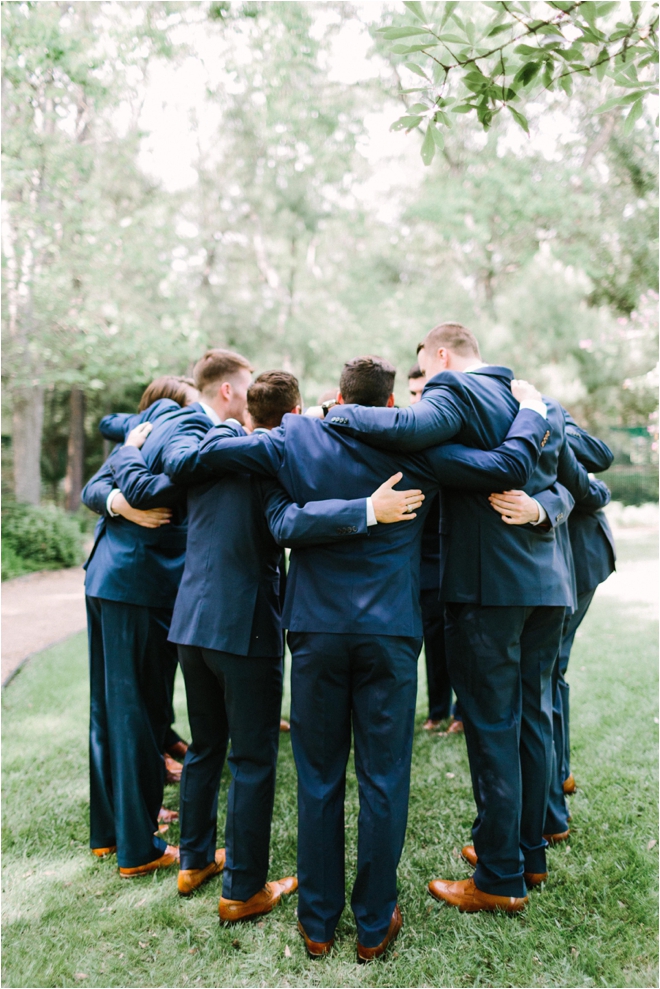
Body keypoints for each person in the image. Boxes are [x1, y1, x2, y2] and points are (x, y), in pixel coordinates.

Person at [173, 355, 552, 957]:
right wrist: (532, 413)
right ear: (393, 404)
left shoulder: (293, 436)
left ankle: (318, 923)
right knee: (383, 778)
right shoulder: (420, 451)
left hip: (317, 633)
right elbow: (503, 467)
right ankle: (375, 922)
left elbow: (220, 472)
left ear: (340, 397)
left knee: (319, 777)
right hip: (390, 634)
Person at [112, 370, 426, 920]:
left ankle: (193, 860)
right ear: (294, 410)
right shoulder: (278, 458)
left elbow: (162, 468)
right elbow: (284, 522)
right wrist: (365, 509)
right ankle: (241, 890)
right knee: (253, 758)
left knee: (208, 747)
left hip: (190, 621)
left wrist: (127, 452)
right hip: (247, 625)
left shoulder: (211, 450)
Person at [320, 324, 609, 912]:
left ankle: (500, 877)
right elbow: (582, 488)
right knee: (533, 720)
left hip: (487, 590)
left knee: (493, 727)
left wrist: (339, 414)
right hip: (547, 586)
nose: (424, 385)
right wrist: (541, 506)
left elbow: (411, 428)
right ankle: (527, 852)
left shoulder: (454, 390)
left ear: (442, 356)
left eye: (425, 368)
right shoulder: (537, 403)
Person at [80, 350, 254, 876]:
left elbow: (110, 471)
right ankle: (139, 848)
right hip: (139, 582)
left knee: (115, 708)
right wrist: (126, 500)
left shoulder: (155, 419)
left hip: (113, 577)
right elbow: (134, 486)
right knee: (137, 711)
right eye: (246, 385)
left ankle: (110, 833)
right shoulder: (192, 430)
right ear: (227, 390)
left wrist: (121, 490)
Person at [97, 375, 200, 786]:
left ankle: (159, 755)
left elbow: (110, 421)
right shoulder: (146, 439)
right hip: (135, 579)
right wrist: (125, 504)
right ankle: (140, 803)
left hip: (157, 582)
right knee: (133, 700)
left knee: (149, 693)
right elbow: (95, 486)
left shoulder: (148, 436)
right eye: (187, 406)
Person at [542, 410, 615, 836]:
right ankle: (560, 772)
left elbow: (600, 457)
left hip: (579, 559)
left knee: (549, 672)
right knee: (553, 671)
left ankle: (552, 797)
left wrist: (553, 420)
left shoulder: (548, 422)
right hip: (560, 562)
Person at [408, 362, 459, 732]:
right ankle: (437, 709)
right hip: (423, 557)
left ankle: (462, 711)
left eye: (422, 391)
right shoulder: (406, 435)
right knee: (431, 635)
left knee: (460, 637)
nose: (417, 399)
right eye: (412, 393)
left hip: (456, 554)